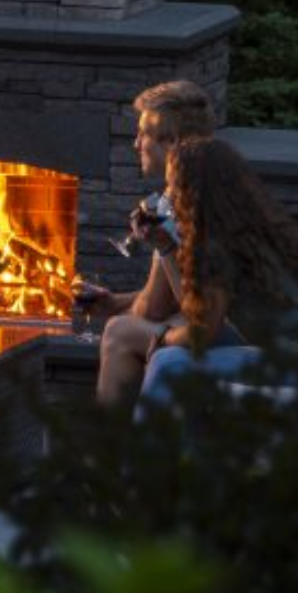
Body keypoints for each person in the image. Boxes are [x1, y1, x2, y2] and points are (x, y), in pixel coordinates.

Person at [136, 136, 298, 403]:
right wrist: (166, 248)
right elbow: (197, 312)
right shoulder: (240, 223)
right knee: (167, 345)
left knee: (168, 364)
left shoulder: (221, 239)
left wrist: (164, 339)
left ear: (193, 189)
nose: (168, 197)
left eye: (173, 186)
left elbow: (201, 333)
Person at [79, 80, 218, 406]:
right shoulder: (197, 184)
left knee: (119, 331)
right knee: (134, 322)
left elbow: (154, 307)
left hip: (248, 335)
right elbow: (165, 298)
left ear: (171, 143)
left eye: (143, 134)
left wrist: (162, 247)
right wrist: (114, 301)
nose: (135, 143)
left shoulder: (183, 202)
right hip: (222, 321)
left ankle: (108, 447)